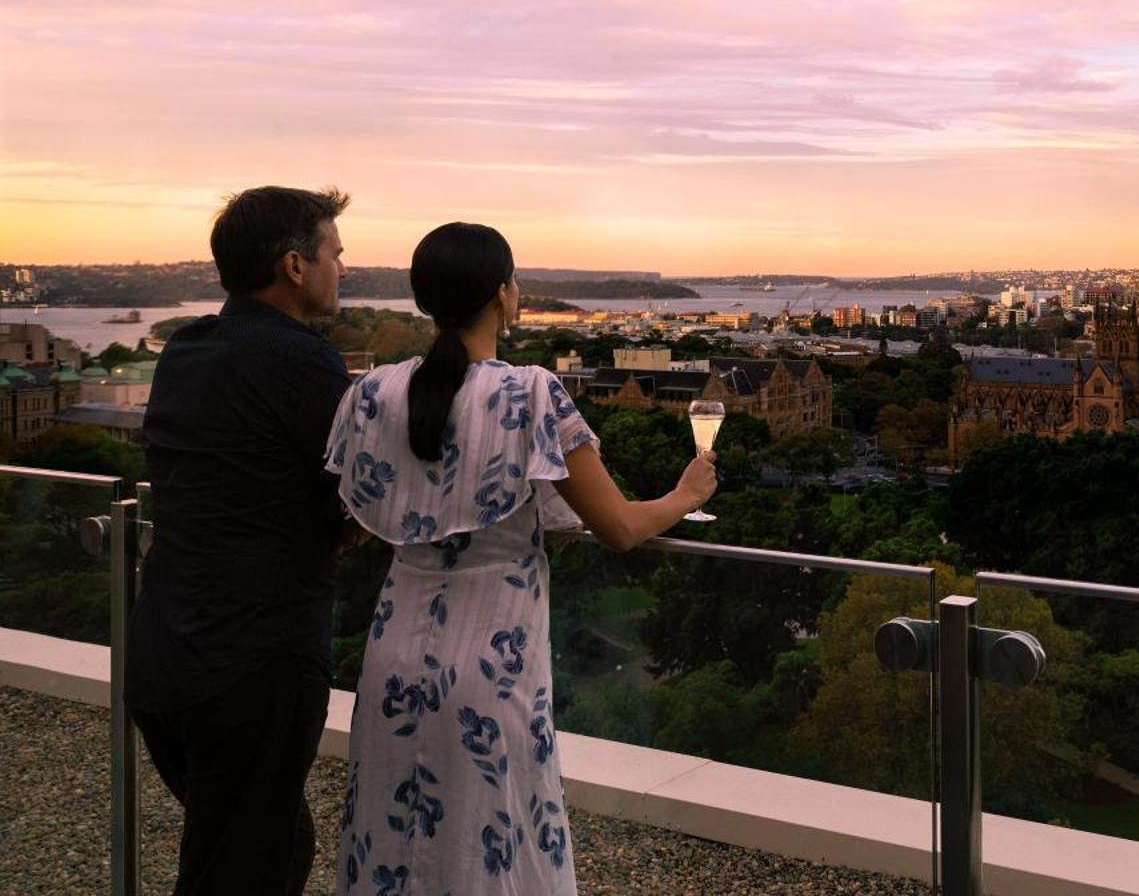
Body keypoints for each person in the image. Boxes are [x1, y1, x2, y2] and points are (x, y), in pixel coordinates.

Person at [326, 222, 715, 895]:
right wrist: (685, 493)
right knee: (494, 837)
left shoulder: (372, 393)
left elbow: (356, 519)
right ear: (504, 295)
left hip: (390, 659)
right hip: (492, 665)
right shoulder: (529, 394)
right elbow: (620, 527)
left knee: (393, 838)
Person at [128, 185, 354, 896]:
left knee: (267, 843)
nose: (341, 268)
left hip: (164, 652)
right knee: (238, 869)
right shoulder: (303, 361)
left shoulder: (186, 349)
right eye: (334, 254)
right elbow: (359, 496)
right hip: (253, 662)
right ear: (294, 265)